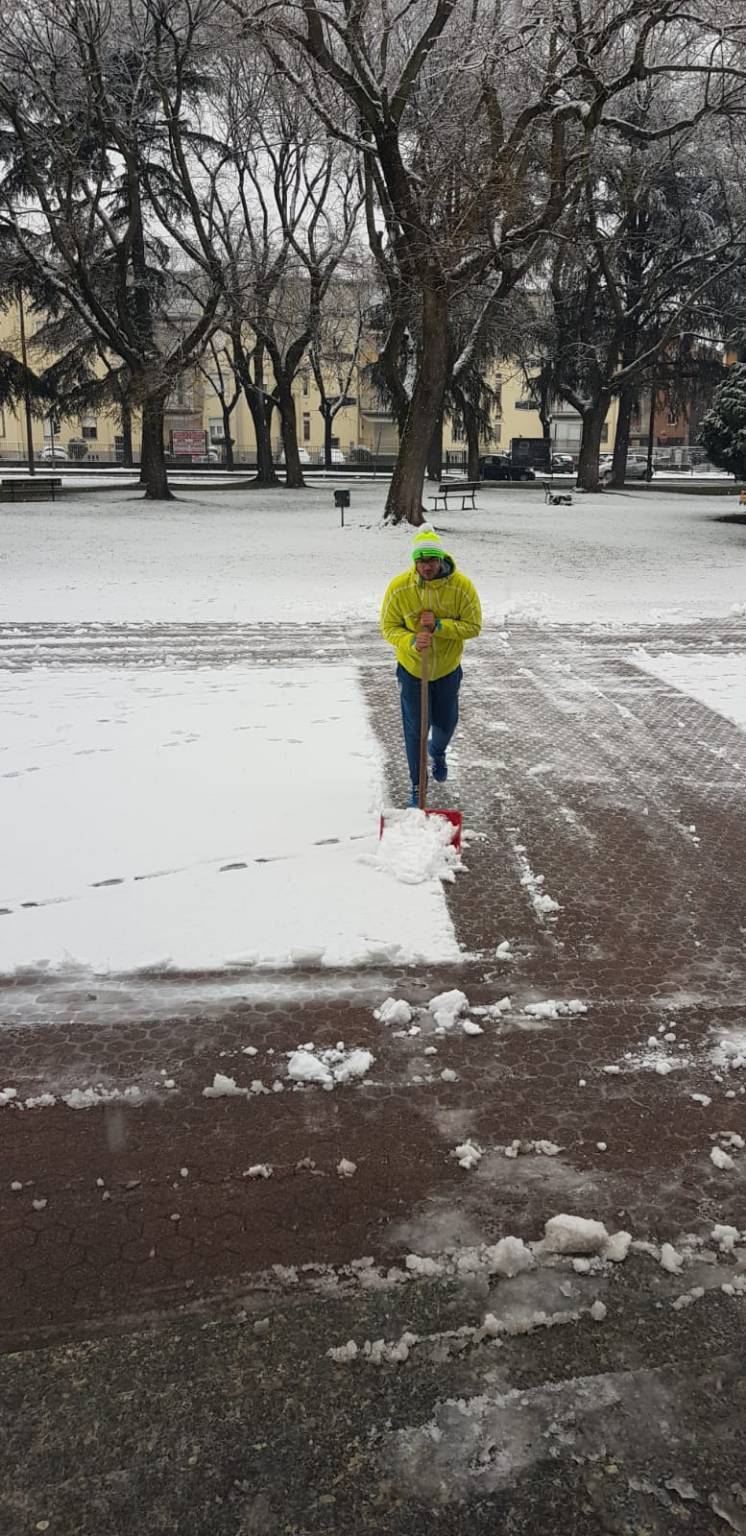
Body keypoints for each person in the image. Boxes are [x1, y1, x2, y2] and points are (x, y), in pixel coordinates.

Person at [380, 523, 482, 805]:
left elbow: (473, 626)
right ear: (415, 562)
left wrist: (440, 626)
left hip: (447, 669)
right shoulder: (399, 589)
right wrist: (411, 641)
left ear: (441, 560)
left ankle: (437, 752)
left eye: (432, 560)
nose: (427, 566)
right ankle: (417, 785)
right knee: (415, 729)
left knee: (445, 723)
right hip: (413, 670)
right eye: (422, 560)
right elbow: (388, 628)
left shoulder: (462, 587)